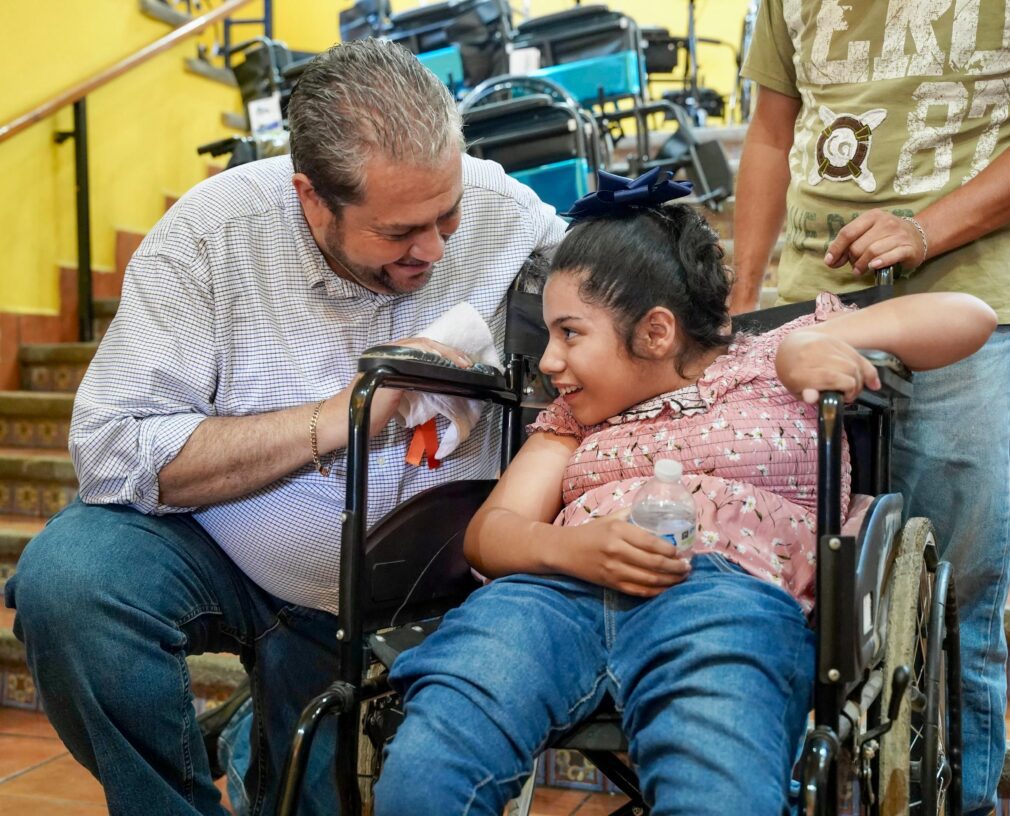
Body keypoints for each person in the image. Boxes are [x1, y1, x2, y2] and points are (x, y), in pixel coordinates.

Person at [4, 39, 566, 816]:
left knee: (304, 799)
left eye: (447, 215)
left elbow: (618, 303)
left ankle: (268, 743)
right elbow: (110, 450)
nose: (435, 248)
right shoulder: (210, 238)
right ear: (311, 197)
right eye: (400, 232)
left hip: (414, 575)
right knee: (69, 582)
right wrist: (333, 419)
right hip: (228, 556)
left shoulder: (504, 210)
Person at [372, 170, 997, 815]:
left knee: (717, 792)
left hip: (722, 599)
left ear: (656, 332)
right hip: (551, 597)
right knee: (429, 769)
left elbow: (969, 317)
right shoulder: (571, 420)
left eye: (570, 333)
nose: (550, 361)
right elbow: (490, 533)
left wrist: (820, 341)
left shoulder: (771, 364)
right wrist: (570, 550)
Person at [730, 3, 1010, 812]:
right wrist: (742, 301)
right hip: (811, 311)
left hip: (968, 310)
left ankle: (963, 800)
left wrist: (924, 230)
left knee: (957, 595)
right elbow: (771, 133)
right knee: (799, 582)